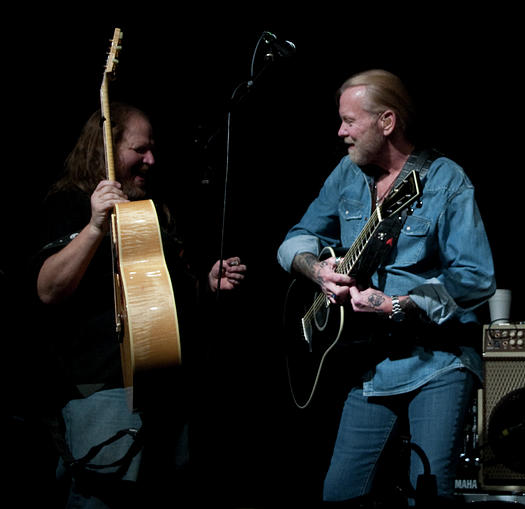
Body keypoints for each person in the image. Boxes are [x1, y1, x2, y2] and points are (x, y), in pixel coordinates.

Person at [277, 69, 495, 506]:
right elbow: (294, 240)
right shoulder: (346, 174)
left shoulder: (444, 179)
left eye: (349, 121)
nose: (341, 132)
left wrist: (400, 304)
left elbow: (475, 276)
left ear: (387, 122)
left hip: (437, 361)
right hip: (370, 365)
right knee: (339, 493)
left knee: (428, 494)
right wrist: (317, 271)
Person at [34, 102, 246, 508]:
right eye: (139, 149)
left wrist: (206, 284)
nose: (151, 159)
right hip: (104, 393)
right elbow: (48, 289)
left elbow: (162, 301)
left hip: (165, 391)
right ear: (106, 150)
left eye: (152, 149)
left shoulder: (151, 210)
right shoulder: (70, 204)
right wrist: (95, 225)